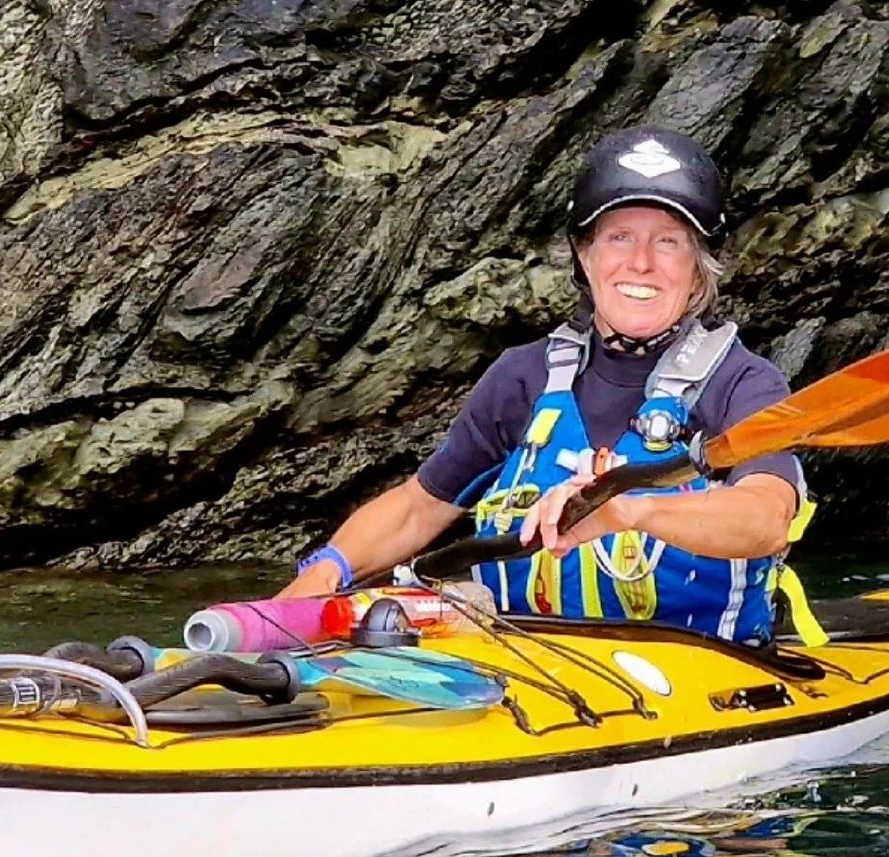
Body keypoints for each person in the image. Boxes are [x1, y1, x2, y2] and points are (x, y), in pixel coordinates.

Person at [279, 126, 803, 643]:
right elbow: (419, 508)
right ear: (584, 254)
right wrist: (327, 570)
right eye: (619, 236)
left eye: (668, 241)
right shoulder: (522, 377)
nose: (641, 263)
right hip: (531, 670)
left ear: (699, 267)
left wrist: (628, 508)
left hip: (708, 670)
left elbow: (766, 518)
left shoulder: (743, 383)